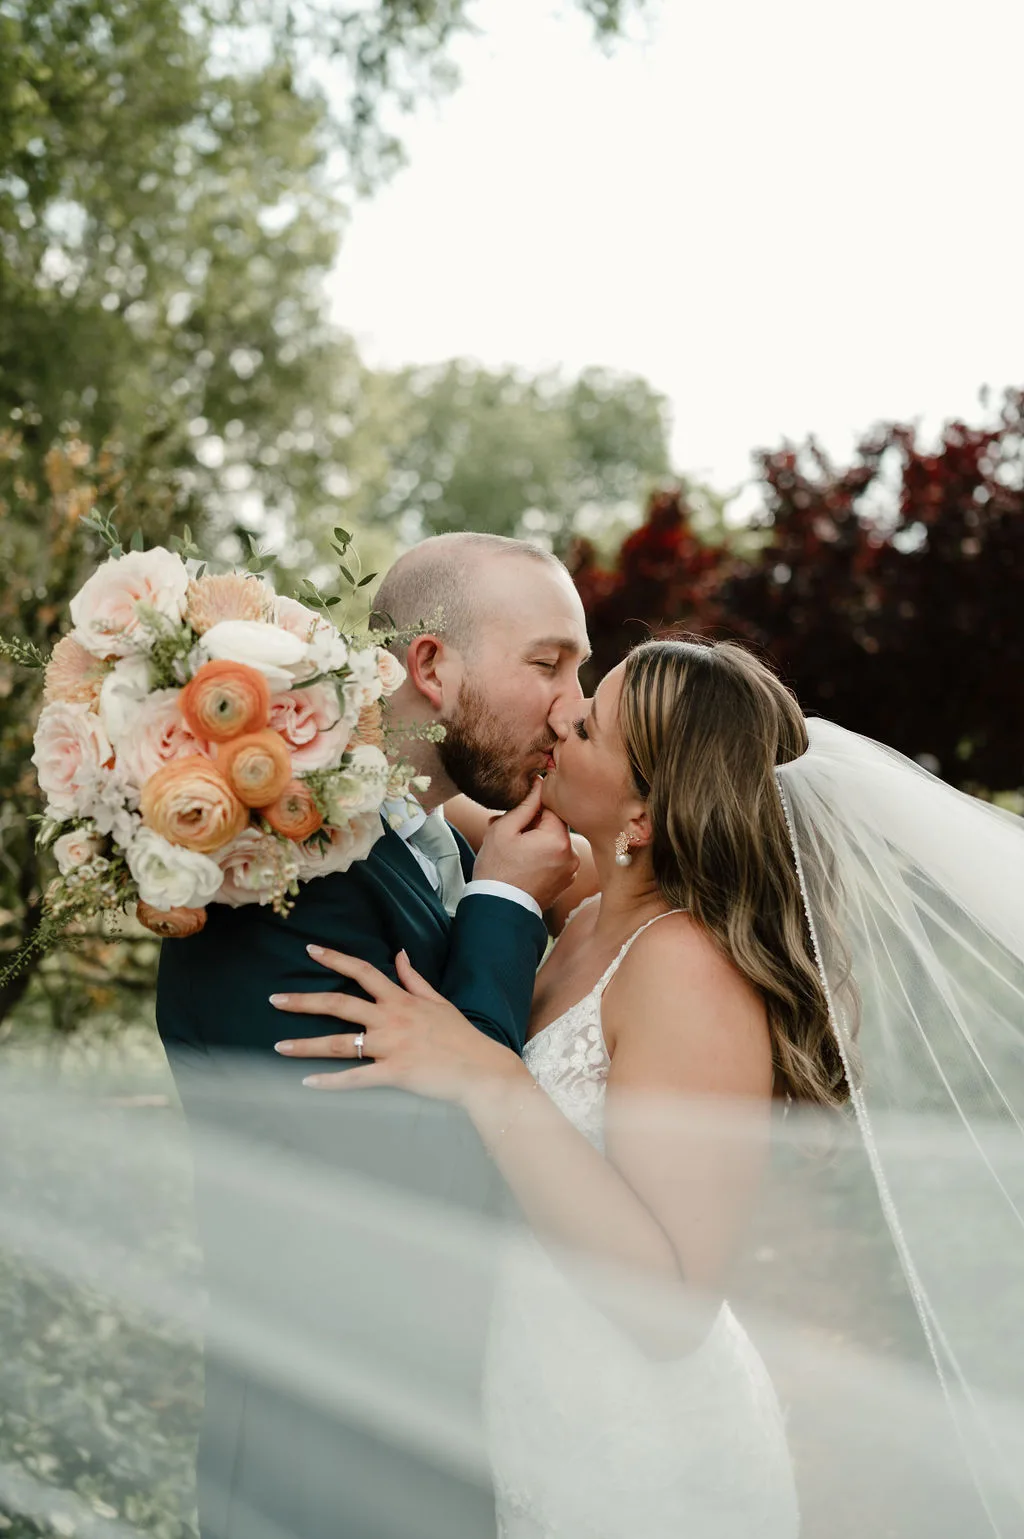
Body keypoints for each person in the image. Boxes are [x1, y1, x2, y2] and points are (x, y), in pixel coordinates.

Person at [274, 633, 1024, 1536]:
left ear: (642, 817)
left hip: (638, 1451)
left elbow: (672, 1306)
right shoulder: (590, 904)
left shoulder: (685, 968)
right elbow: (424, 795)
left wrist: (491, 1078)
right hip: (535, 1397)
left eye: (587, 724)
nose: (561, 714)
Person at [155, 532, 589, 1539]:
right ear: (432, 668)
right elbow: (430, 1174)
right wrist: (505, 912)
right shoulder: (272, 883)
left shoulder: (427, 832)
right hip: (331, 1467)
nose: (574, 704)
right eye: (547, 663)